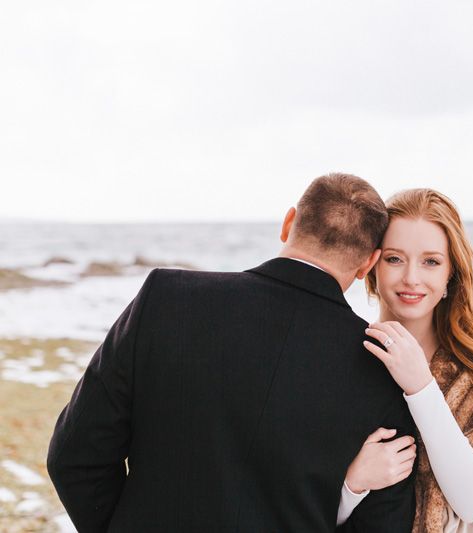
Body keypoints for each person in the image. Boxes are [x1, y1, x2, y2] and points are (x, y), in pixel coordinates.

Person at [47, 173, 417, 532]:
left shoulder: (167, 298)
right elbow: (382, 523)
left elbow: (74, 458)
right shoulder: (382, 364)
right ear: (369, 262)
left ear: (288, 223)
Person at [336, 189, 473, 532]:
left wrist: (421, 387)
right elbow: (305, 512)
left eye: (431, 261)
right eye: (394, 258)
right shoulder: (342, 359)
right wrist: (353, 484)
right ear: (371, 265)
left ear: (450, 273)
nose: (411, 277)